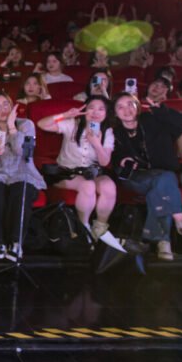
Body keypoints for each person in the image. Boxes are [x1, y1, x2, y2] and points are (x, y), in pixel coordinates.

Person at [111, 93, 182, 261]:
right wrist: (121, 160)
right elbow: (110, 157)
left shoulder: (154, 120)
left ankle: (163, 241)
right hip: (135, 177)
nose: (127, 110)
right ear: (115, 112)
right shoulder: (115, 132)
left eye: (130, 104)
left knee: (160, 188)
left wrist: (162, 111)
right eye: (120, 107)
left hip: (162, 174)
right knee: (165, 181)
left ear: (138, 106)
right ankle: (180, 219)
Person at [36, 97, 125, 252]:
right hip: (66, 172)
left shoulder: (107, 131)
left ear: (106, 113)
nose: (95, 112)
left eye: (101, 109)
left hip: (91, 172)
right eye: (91, 107)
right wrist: (65, 115)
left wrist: (96, 143)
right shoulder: (73, 124)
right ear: (85, 110)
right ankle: (83, 228)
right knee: (88, 186)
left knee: (109, 186)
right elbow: (42, 124)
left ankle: (100, 228)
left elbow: (104, 162)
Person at [0, 93, 46, 261]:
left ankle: (16, 243)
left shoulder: (26, 125)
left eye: (6, 104)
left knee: (20, 189)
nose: (3, 109)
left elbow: (25, 153)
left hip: (24, 173)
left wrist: (12, 128)